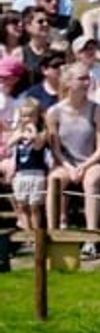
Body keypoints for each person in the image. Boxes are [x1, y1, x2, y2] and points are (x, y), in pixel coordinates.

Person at [46, 62, 100, 245]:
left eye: (87, 78)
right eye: (81, 78)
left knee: (90, 182)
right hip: (66, 162)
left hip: (93, 161)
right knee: (54, 180)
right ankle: (52, 233)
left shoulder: (97, 110)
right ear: (68, 82)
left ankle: (92, 237)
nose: (86, 82)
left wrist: (83, 166)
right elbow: (56, 149)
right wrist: (69, 166)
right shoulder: (54, 112)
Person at [8, 98, 48, 234]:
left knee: (34, 207)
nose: (27, 119)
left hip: (36, 175)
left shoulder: (42, 133)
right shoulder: (18, 133)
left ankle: (37, 235)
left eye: (31, 115)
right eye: (24, 116)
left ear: (38, 117)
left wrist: (33, 132)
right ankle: (27, 235)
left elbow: (38, 146)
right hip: (21, 174)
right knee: (22, 206)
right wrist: (18, 135)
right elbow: (9, 145)